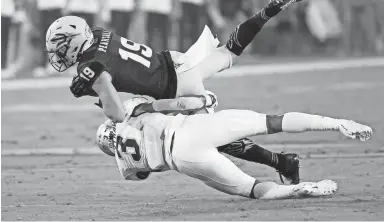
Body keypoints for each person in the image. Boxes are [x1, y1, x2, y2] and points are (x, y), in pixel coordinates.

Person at [45, 0, 307, 184]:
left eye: (59, 49)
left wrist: (91, 84)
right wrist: (91, 84)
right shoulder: (100, 33)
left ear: (73, 43)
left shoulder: (91, 66)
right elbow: (113, 66)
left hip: (175, 85)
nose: (58, 56)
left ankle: (282, 162)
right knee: (228, 53)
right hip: (174, 61)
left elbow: (115, 113)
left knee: (215, 138)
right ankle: (269, 9)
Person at [95, 94, 372, 199]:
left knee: (253, 190)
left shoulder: (123, 166)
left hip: (182, 156)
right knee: (272, 121)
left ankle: (300, 189)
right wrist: (200, 101)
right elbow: (176, 105)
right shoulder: (129, 111)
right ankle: (337, 123)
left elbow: (144, 173)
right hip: (190, 127)